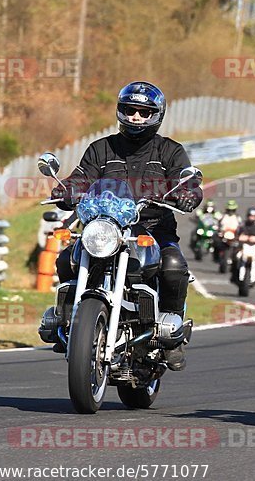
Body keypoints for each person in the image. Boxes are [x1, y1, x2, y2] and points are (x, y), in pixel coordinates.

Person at [50, 81, 203, 370]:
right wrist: (65, 190)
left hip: (153, 228)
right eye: (130, 110)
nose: (135, 117)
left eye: (143, 112)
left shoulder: (170, 151)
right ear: (120, 111)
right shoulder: (100, 149)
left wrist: (187, 193)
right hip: (106, 227)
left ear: (156, 115)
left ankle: (172, 332)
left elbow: (187, 179)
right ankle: (67, 320)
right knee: (66, 259)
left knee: (173, 266)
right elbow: (81, 177)